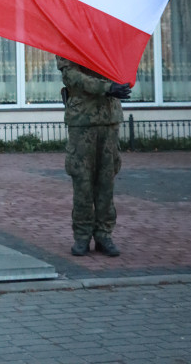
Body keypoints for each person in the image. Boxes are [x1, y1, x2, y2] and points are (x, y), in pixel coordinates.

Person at [56, 56, 131, 258]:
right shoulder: (69, 38)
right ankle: (82, 236)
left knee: (106, 182)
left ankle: (104, 235)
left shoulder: (109, 37)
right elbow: (71, 76)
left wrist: (121, 83)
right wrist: (106, 87)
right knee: (83, 182)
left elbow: (124, 64)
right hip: (82, 119)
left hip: (109, 119)